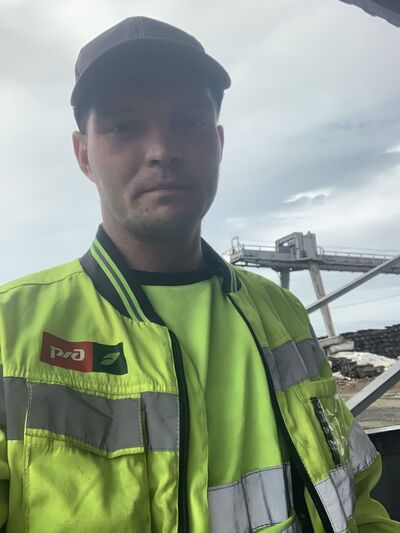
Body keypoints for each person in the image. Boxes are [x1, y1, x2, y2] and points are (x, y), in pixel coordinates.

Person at [0, 16, 398, 533]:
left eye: (189, 121)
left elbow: (355, 499)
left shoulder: (284, 312)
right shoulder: (11, 329)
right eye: (123, 126)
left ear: (219, 142)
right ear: (84, 155)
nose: (162, 150)